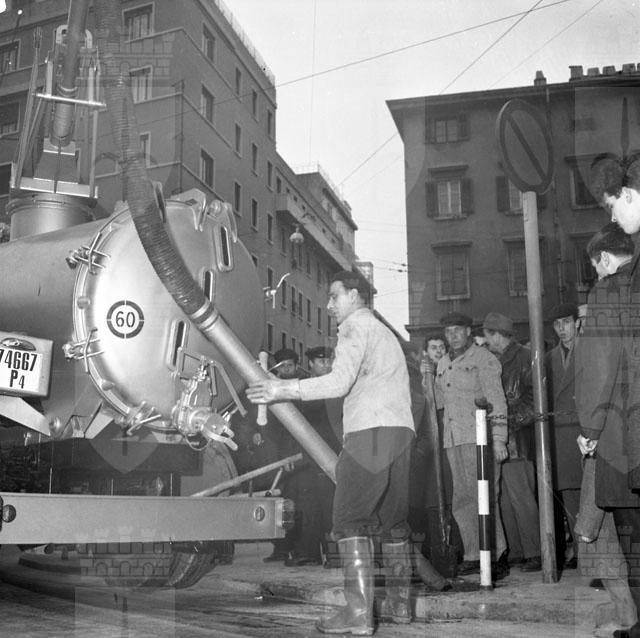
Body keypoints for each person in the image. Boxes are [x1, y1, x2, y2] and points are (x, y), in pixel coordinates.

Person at [247, 271, 415, 634]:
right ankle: (400, 606)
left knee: (349, 519)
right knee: (394, 522)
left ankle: (358, 614)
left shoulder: (354, 327)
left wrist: (280, 389)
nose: (328, 305)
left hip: (370, 431)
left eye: (334, 296)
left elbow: (339, 383)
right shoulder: (383, 331)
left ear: (354, 295)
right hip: (401, 432)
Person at [574, 154, 640, 638]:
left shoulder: (608, 292)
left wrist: (590, 430)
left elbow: (598, 366)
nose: (613, 215)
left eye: (612, 205)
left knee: (632, 532)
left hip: (624, 437)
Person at [435, 311, 509, 580]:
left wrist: (499, 438)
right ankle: (473, 554)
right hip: (453, 439)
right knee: (463, 499)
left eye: (458, 330)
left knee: (485, 496)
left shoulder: (483, 358)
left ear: (468, 331)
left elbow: (497, 399)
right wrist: (425, 378)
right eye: (448, 331)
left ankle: (497, 554)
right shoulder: (443, 362)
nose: (452, 335)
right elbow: (439, 402)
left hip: (479, 438)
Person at [482, 312, 541, 572]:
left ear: (496, 335)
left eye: (487, 334)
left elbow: (535, 398)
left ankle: (536, 552)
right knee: (504, 498)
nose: (486, 340)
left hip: (518, 440)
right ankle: (517, 551)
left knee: (521, 497)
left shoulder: (525, 357)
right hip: (500, 437)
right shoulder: (492, 358)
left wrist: (508, 421)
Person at [294, 346, 342, 568]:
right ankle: (310, 553)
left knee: (330, 506)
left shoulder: (337, 387)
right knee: (308, 506)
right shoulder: (301, 389)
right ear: (311, 364)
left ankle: (334, 555)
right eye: (321, 361)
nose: (326, 365)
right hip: (306, 457)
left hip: (331, 454)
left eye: (328, 361)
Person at [545, 302, 583, 569]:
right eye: (557, 324)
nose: (562, 329)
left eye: (567, 322)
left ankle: (597, 553)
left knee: (592, 494)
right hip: (561, 435)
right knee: (569, 495)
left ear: (577, 323)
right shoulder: (548, 359)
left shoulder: (592, 350)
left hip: (586, 430)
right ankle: (581, 552)